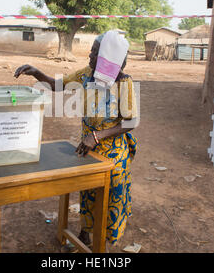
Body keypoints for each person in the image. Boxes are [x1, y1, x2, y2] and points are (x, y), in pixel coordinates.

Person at [14, 31, 138, 248]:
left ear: (107, 57)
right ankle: (85, 233)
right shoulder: (87, 74)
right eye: (91, 50)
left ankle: (103, 240)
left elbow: (131, 122)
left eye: (95, 52)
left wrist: (97, 136)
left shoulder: (124, 83)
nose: (90, 55)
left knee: (110, 196)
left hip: (113, 153)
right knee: (87, 192)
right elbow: (59, 85)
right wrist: (37, 74)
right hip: (88, 147)